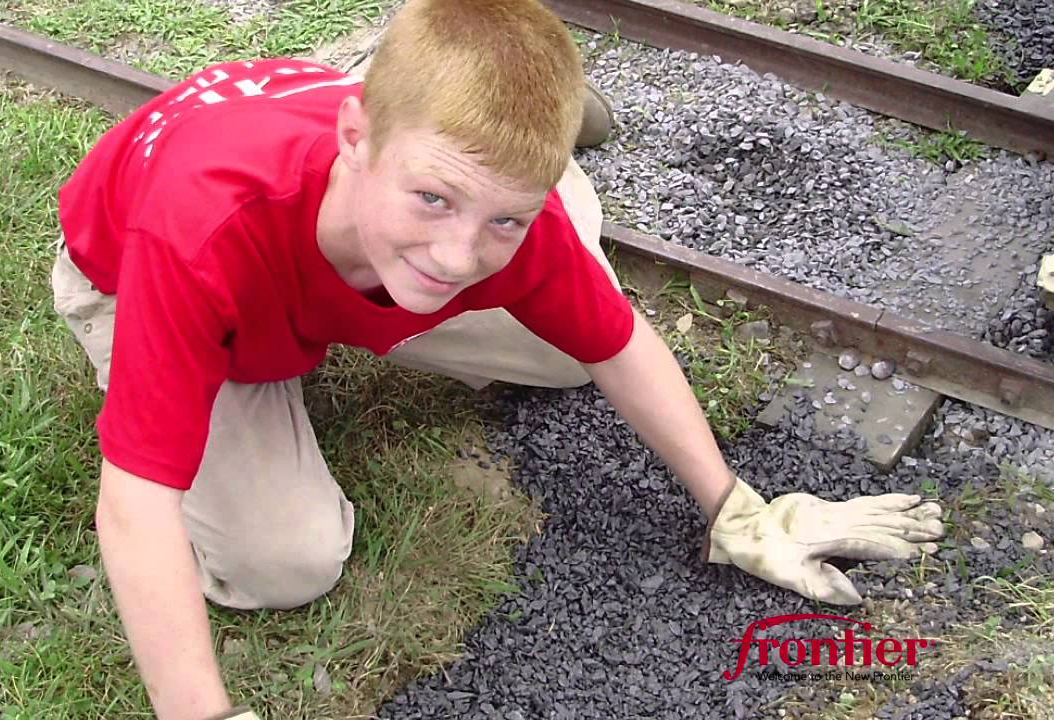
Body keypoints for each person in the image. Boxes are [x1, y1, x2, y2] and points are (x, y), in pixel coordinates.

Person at [50, 1, 945, 718]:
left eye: (505, 218)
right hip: (169, 286)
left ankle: (520, 151)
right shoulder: (197, 229)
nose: (457, 255)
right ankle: (441, 118)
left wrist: (738, 509)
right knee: (287, 562)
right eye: (435, 197)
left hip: (360, 224)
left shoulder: (480, 229)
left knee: (562, 350)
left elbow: (619, 343)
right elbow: (135, 502)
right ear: (355, 140)